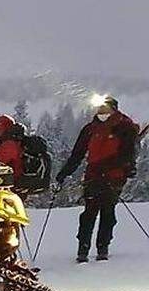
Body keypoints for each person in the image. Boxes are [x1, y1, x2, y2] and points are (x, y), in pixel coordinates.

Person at [56, 96, 140, 262]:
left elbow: (127, 154)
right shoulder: (90, 129)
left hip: (114, 177)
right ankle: (83, 250)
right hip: (93, 176)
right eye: (99, 108)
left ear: (113, 109)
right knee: (89, 213)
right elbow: (78, 154)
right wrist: (64, 173)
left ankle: (103, 248)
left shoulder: (124, 127)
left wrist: (106, 166)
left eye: (104, 108)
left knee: (107, 212)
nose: (101, 111)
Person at [0, 114, 26, 181]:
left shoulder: (8, 145)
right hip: (13, 180)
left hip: (12, 182)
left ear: (5, 129)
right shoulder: (15, 142)